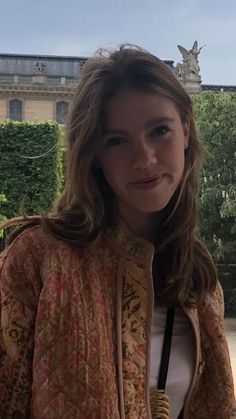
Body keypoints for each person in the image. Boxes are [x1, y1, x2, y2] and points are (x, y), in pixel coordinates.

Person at [0, 45, 235, 419]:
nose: (144, 159)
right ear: (94, 154)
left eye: (159, 131)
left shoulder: (198, 273)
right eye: (116, 140)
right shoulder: (36, 258)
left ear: (186, 132)